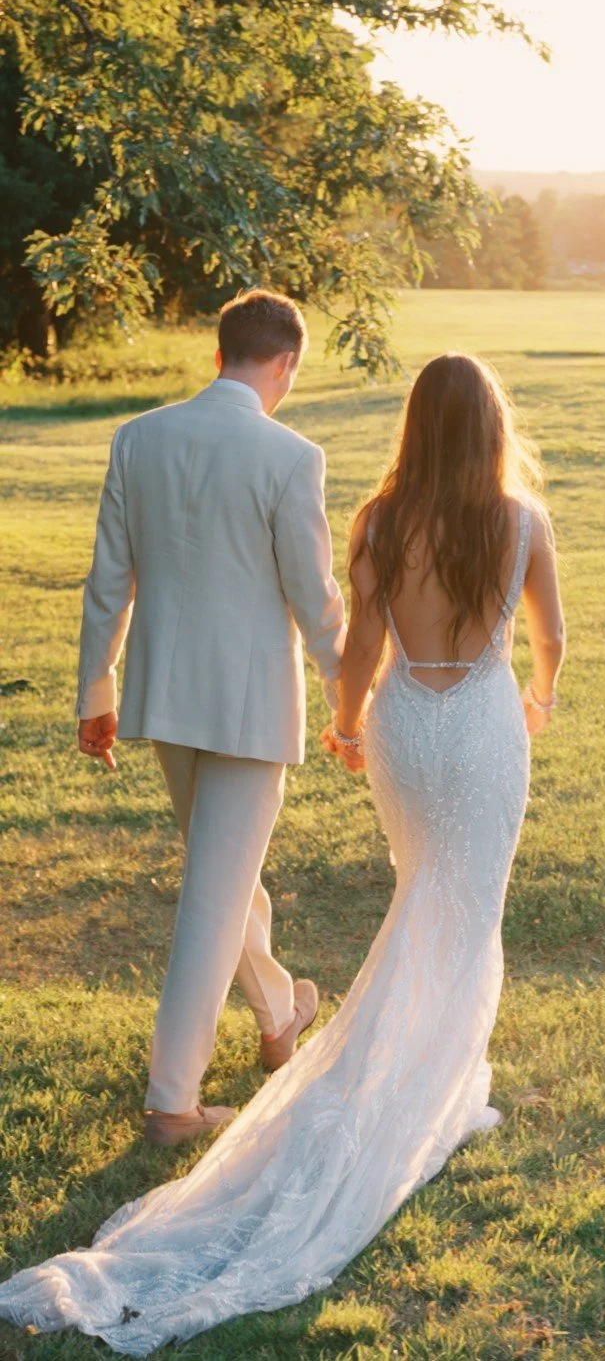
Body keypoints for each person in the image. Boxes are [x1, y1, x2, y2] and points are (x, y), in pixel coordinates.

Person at [0, 353, 564, 1355]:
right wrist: (540, 694)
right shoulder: (523, 521)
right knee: (462, 910)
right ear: (490, 425)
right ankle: (431, 1085)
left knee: (421, 897)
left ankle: (438, 1076)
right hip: (481, 728)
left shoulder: (382, 519)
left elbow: (362, 644)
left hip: (407, 730)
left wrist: (350, 721)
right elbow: (550, 637)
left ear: (415, 426)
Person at [74, 289, 346, 1146]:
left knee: (225, 877)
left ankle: (277, 1013)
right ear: (286, 363)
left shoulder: (139, 437)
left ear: (218, 351)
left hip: (163, 698)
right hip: (247, 705)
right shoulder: (290, 454)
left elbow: (107, 578)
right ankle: (171, 1101)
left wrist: (98, 691)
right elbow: (314, 596)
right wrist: (350, 697)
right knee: (212, 892)